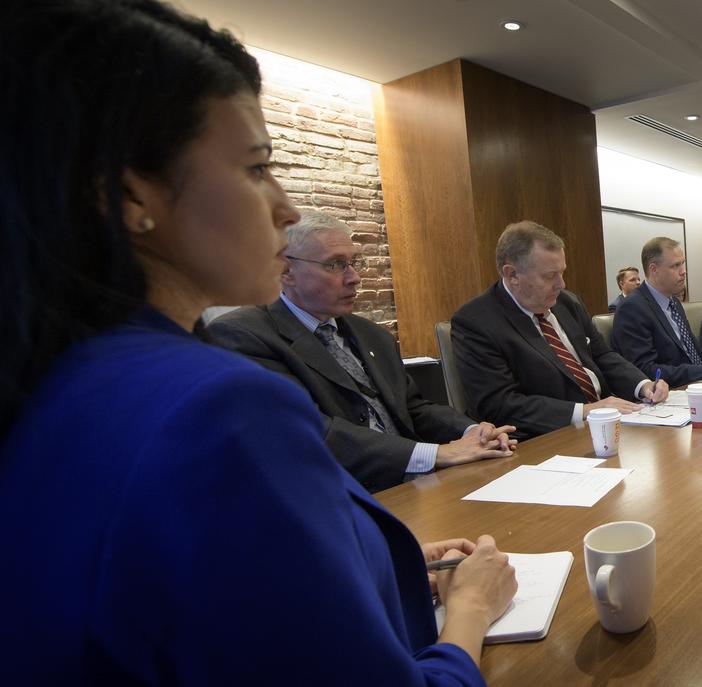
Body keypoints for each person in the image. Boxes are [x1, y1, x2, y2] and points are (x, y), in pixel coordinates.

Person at [0, 1, 515, 683]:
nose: (286, 206)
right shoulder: (216, 407)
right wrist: (471, 610)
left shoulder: (60, 377)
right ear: (131, 197)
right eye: (255, 166)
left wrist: (366, 562)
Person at [209, 210, 515, 493]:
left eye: (355, 262)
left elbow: (413, 409)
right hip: (344, 499)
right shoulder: (244, 335)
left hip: (418, 486)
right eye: (335, 264)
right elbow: (312, 433)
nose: (354, 277)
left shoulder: (373, 335)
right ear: (286, 270)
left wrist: (473, 432)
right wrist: (436, 453)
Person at [451, 221, 668, 440]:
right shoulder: (476, 322)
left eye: (562, 273)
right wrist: (583, 412)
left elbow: (602, 356)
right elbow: (499, 405)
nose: (561, 284)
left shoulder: (566, 303)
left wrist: (642, 385)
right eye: (549, 276)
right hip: (546, 440)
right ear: (512, 274)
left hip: (607, 425)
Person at [612, 237, 702, 387]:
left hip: (694, 386)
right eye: (676, 266)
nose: (683, 272)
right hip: (666, 396)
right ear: (654, 269)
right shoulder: (632, 308)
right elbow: (644, 370)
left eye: (683, 263)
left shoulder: (673, 303)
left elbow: (694, 356)